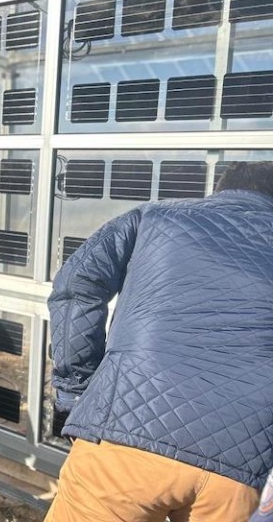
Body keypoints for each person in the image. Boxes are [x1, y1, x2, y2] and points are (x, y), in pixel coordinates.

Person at [45, 161, 273, 522]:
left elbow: (77, 285)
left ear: (219, 190)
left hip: (124, 436)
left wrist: (76, 392)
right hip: (242, 468)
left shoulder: (156, 217)